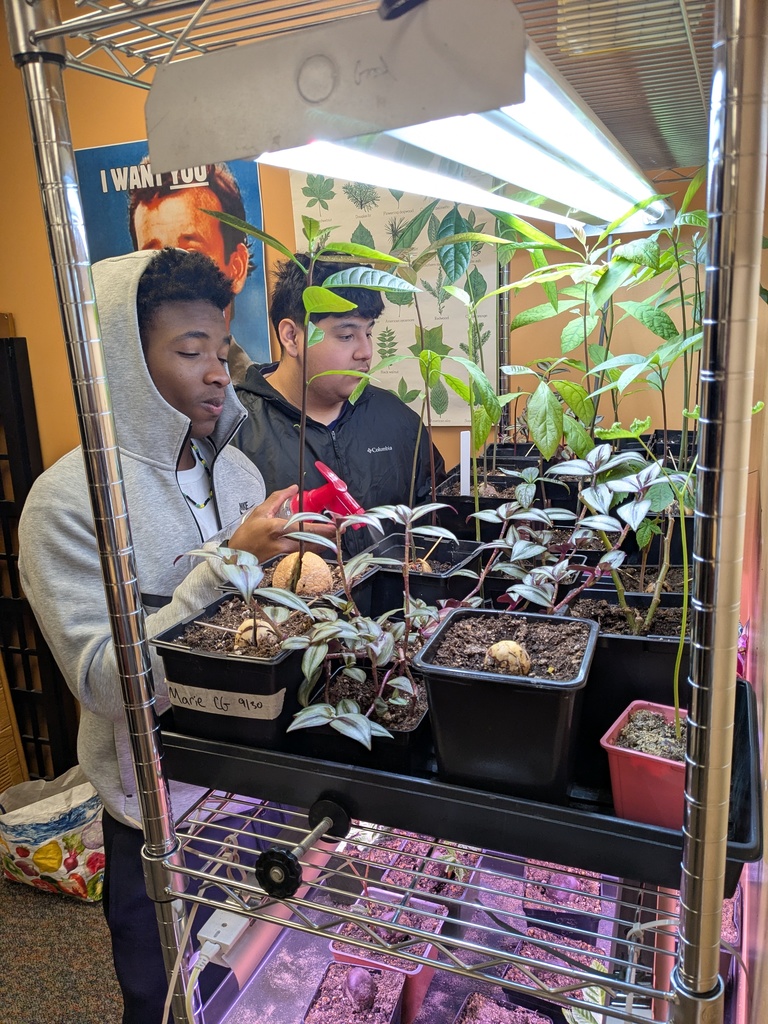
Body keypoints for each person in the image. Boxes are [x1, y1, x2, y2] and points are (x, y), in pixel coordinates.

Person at [18, 247, 328, 1022]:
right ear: (125, 362)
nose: (219, 373)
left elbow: (257, 626)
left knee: (268, 983)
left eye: (221, 350)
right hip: (158, 814)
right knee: (169, 1002)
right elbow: (101, 679)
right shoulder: (68, 504)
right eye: (191, 353)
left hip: (258, 785)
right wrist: (226, 565)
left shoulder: (239, 477)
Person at [231, 253, 446, 553]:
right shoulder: (235, 432)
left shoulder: (398, 420)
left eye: (368, 332)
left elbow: (434, 527)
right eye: (346, 335)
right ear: (292, 337)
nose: (365, 351)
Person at [127, 159, 258, 382]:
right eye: (153, 258)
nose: (171, 277)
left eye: (191, 254)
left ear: (237, 267)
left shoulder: (252, 393)